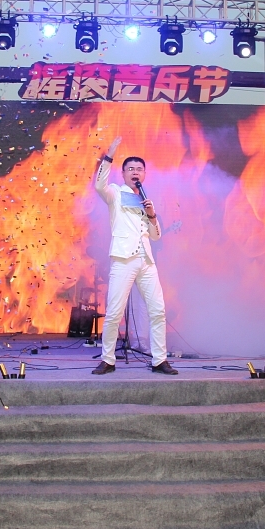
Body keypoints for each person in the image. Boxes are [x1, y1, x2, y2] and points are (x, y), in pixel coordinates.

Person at [92, 138, 176, 375]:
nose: (135, 172)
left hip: (146, 261)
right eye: (131, 169)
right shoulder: (115, 193)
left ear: (145, 174)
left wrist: (152, 215)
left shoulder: (145, 200)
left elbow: (156, 236)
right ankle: (108, 360)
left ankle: (159, 360)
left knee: (158, 310)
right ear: (123, 173)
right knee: (114, 312)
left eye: (139, 169)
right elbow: (99, 185)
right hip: (123, 259)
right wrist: (109, 155)